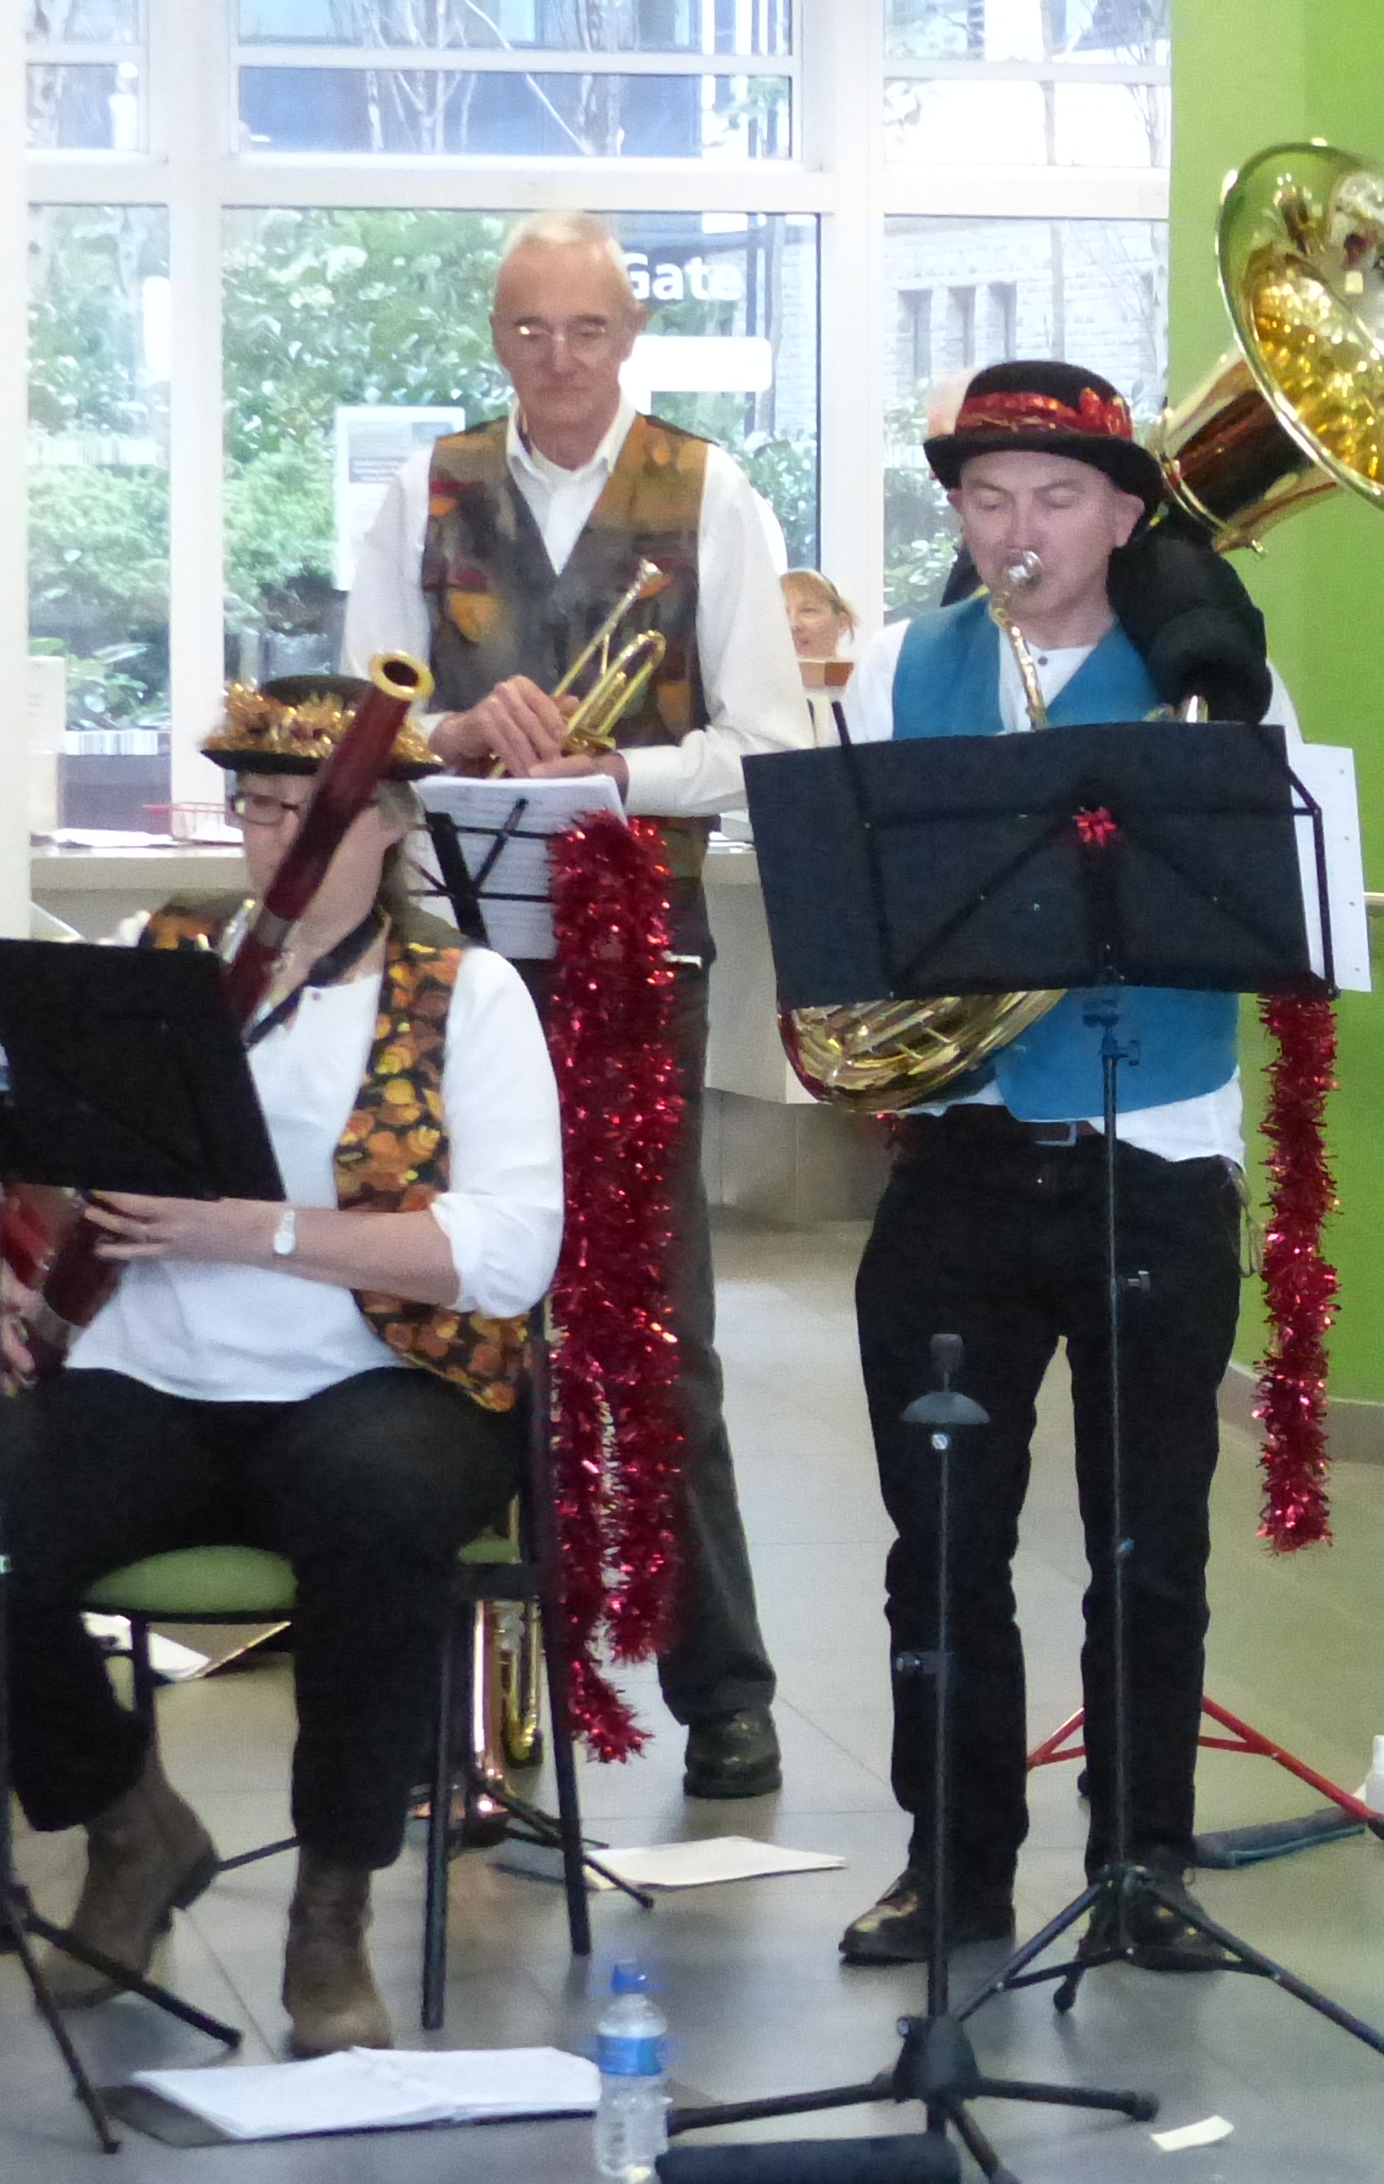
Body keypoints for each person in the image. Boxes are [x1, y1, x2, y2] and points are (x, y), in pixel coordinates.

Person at [0, 678, 565, 2054]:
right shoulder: (161, 957)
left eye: (301, 814)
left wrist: (251, 1231)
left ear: (388, 824)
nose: (268, 841)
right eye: (250, 809)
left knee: (376, 1515)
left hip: (383, 1379)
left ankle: (333, 1902)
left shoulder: (467, 993)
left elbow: (510, 1254)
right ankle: (128, 1823)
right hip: (151, 1377)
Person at [340, 209, 809, 1801]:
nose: (559, 360)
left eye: (588, 329)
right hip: (454, 964)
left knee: (656, 1327)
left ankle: (722, 1687)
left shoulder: (711, 492)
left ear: (630, 338)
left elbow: (768, 744)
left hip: (634, 952)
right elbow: (359, 731)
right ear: (496, 338)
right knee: (449, 1318)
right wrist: (458, 735)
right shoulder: (422, 491)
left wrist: (620, 770)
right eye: (530, 330)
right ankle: (450, 1695)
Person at [830, 360, 1290, 1971]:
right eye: (987, 497)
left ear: (1123, 517)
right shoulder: (903, 665)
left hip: (1151, 1157)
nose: (1018, 529)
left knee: (1146, 1542)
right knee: (940, 1542)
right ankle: (950, 1868)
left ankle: (1142, 1864)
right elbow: (849, 906)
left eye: (1057, 496)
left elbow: (1263, 900)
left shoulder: (1217, 690)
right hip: (959, 1159)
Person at [785, 566, 857, 697]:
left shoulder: (864, 683)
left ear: (841, 623)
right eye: (782, 612)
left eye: (808, 611)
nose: (793, 625)